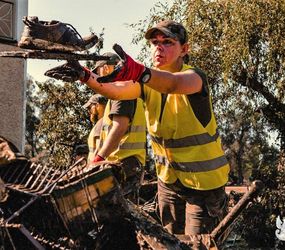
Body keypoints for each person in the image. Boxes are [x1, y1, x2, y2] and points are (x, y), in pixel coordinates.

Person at [45, 20, 230, 237]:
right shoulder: (147, 83)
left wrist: (141, 72)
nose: (159, 47)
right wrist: (84, 75)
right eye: (155, 42)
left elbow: (171, 83)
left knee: (197, 244)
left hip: (204, 188)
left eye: (168, 42)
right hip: (169, 183)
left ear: (185, 49)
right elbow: (114, 91)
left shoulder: (195, 78)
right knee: (170, 243)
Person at [87, 53, 147, 195]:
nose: (97, 77)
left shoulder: (122, 89)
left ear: (106, 68)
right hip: (124, 164)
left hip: (124, 164)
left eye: (98, 72)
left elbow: (119, 127)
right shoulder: (122, 90)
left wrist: (97, 159)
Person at [82, 93, 107, 163]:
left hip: (97, 165)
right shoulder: (107, 121)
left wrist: (92, 165)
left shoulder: (101, 123)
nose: (89, 111)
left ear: (97, 105)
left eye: (90, 107)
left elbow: (99, 147)